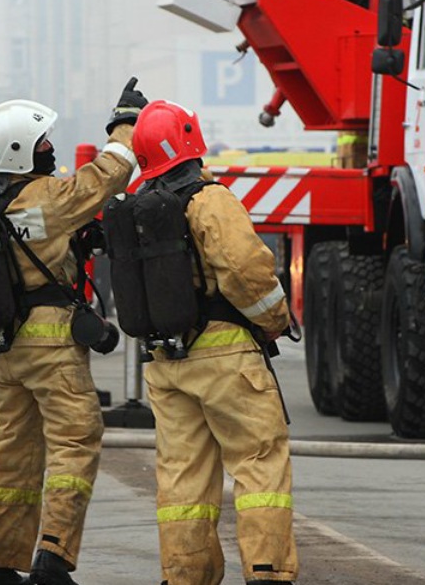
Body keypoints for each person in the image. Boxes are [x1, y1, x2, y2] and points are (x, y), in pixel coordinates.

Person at [0, 80, 145, 585]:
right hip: (50, 343)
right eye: (44, 143)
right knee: (74, 443)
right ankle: (53, 559)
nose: (51, 150)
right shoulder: (47, 197)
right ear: (24, 150)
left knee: (12, 455)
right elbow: (107, 176)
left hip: (4, 348)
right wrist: (124, 124)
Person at [131, 101, 298, 585]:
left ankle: (186, 575)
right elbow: (248, 271)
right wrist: (275, 320)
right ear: (191, 140)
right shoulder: (208, 199)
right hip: (225, 356)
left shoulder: (141, 209)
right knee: (259, 463)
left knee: (182, 476)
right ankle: (266, 573)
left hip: (165, 361)